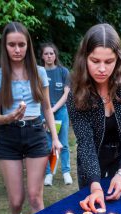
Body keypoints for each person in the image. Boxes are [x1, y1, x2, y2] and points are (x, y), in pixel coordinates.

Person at [67, 23, 121, 213]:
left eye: (109, 61)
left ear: (118, 59)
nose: (102, 69)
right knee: (92, 212)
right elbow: (85, 141)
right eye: (95, 61)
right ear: (84, 58)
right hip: (91, 158)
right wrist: (95, 185)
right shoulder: (76, 90)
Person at [0, 22, 62, 214]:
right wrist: (9, 117)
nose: (17, 49)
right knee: (16, 201)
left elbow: (46, 107)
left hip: (36, 133)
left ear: (28, 45)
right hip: (8, 136)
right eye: (12, 45)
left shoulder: (39, 72)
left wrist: (54, 138)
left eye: (21, 44)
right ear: (5, 46)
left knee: (36, 197)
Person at [40, 43, 73, 186]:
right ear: (42, 56)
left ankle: (66, 172)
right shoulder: (39, 72)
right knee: (48, 144)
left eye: (51, 53)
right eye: (46, 53)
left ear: (55, 55)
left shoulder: (64, 71)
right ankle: (49, 173)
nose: (49, 56)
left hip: (60, 112)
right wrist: (46, 113)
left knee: (63, 143)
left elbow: (66, 94)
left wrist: (52, 111)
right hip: (44, 113)